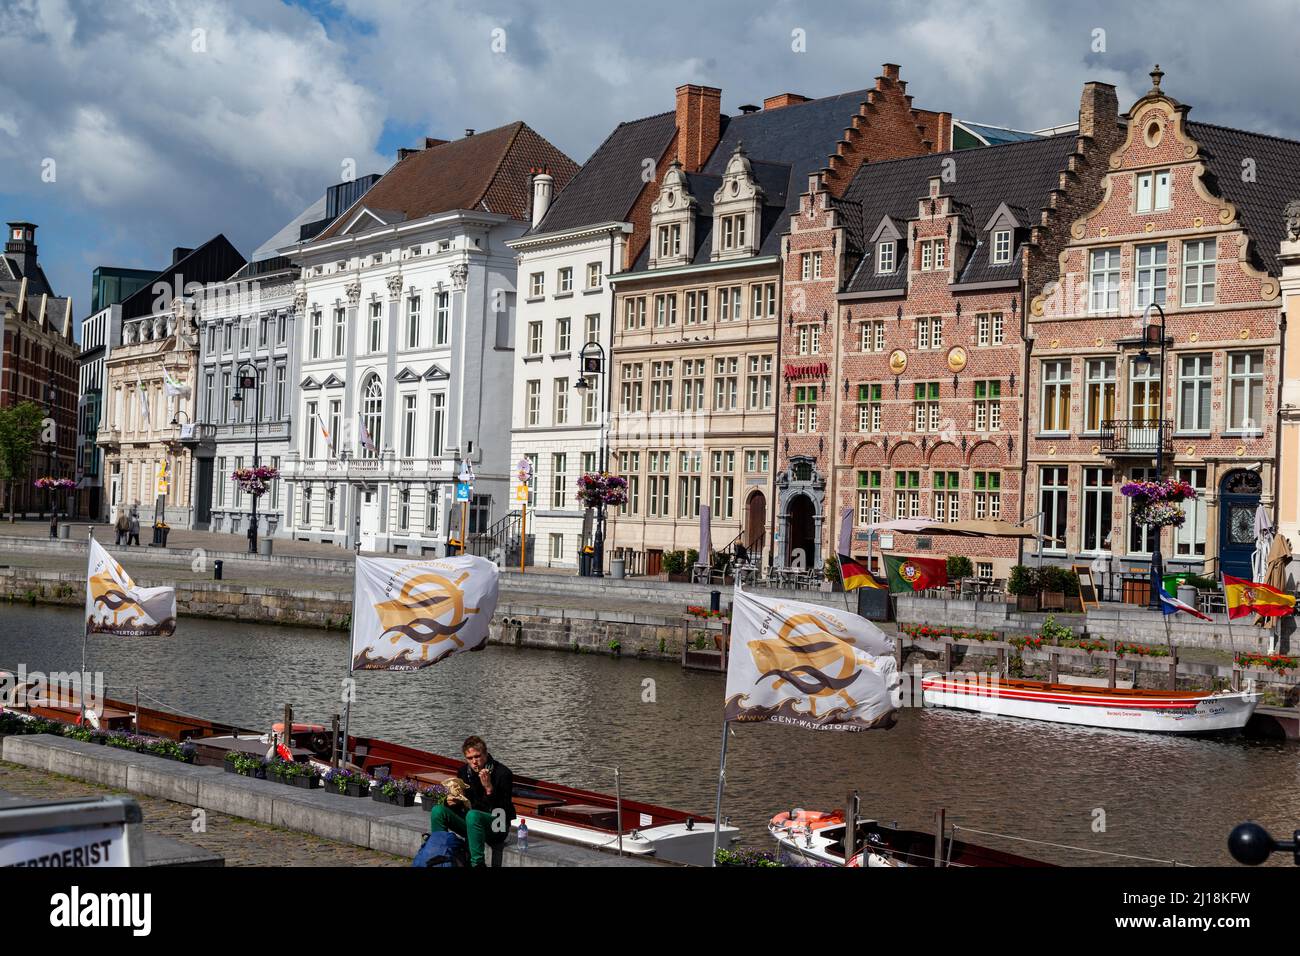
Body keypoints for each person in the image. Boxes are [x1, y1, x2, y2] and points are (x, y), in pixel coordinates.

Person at [427, 735, 515, 867]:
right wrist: (452, 802)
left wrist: (489, 788)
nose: (474, 761)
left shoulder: (502, 773)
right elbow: (463, 806)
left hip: (497, 826)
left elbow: (502, 812)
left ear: (485, 754)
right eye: (470, 758)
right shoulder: (463, 772)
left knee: (473, 815)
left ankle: (477, 864)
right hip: (471, 823)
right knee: (438, 811)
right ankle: (440, 859)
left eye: (477, 756)